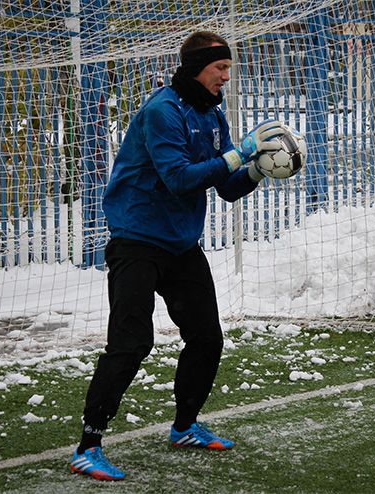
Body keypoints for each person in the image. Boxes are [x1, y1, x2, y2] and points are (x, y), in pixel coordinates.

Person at [69, 31, 286, 481]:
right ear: (196, 68)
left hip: (181, 245)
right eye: (220, 68)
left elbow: (226, 188)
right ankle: (88, 446)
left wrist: (258, 168)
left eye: (228, 68)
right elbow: (179, 179)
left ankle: (185, 427)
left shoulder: (211, 114)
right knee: (131, 344)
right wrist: (239, 154)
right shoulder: (162, 112)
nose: (226, 77)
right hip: (137, 241)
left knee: (207, 338)